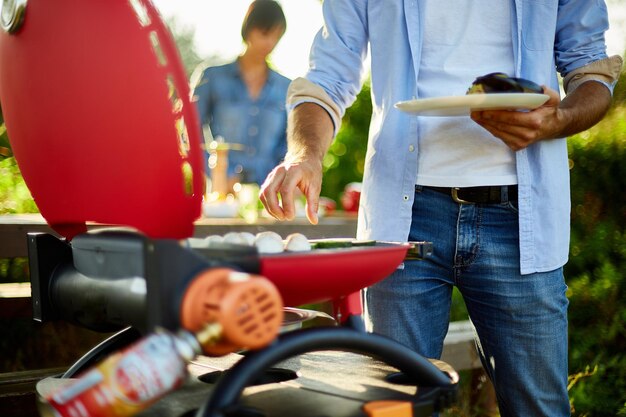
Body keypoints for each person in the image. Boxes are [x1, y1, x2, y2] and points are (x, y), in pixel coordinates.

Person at [259, 1, 622, 416]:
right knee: (395, 407)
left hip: (522, 219)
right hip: (402, 219)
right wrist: (304, 154)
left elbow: (591, 70)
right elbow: (328, 74)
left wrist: (560, 120)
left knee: (539, 408)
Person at [192, 0, 290, 187]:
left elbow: (288, 143)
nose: (270, 42)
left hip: (268, 196)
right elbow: (190, 132)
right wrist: (217, 173)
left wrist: (280, 180)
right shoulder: (212, 77)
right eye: (264, 33)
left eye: (276, 36)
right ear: (248, 29)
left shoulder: (286, 87)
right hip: (220, 192)